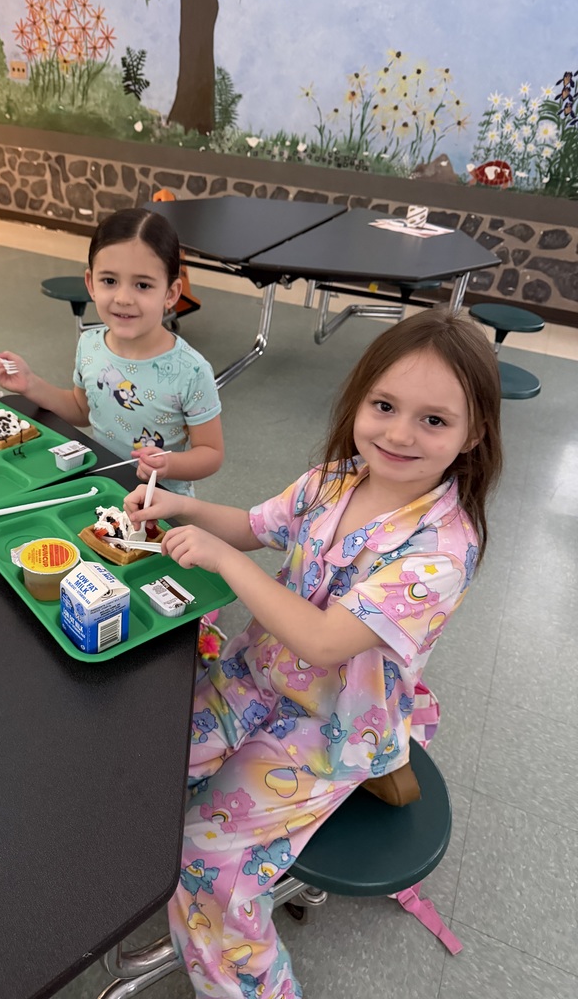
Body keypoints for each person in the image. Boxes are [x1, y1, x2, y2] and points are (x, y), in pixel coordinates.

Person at [124, 307, 502, 999]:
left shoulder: (444, 551)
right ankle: (164, 898)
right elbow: (250, 526)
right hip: (254, 678)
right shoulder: (334, 479)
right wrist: (182, 512)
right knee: (139, 759)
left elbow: (324, 641)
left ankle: (247, 976)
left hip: (328, 731)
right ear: (359, 399)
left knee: (206, 862)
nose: (397, 433)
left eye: (433, 420)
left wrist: (220, 562)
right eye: (384, 405)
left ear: (473, 434)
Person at [0, 208, 224, 495]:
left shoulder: (192, 371)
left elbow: (210, 452)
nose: (123, 298)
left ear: (171, 294)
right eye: (109, 281)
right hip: (102, 489)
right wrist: (30, 383)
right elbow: (81, 410)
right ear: (90, 284)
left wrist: (169, 464)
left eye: (143, 285)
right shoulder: (91, 345)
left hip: (161, 504)